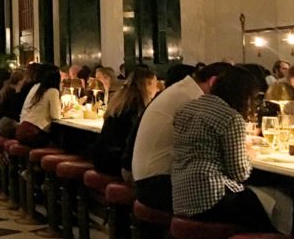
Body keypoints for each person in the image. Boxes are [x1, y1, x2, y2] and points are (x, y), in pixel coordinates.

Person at [172, 66, 276, 233]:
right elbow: (239, 173)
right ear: (244, 95)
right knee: (278, 202)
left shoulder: (186, 108)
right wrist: (248, 154)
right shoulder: (231, 117)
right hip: (211, 198)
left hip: (181, 196)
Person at [131, 62, 230, 212]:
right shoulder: (193, 99)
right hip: (157, 184)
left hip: (146, 179)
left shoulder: (182, 90)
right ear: (213, 81)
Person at [93, 67, 159, 179]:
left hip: (101, 158)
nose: (157, 89)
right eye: (155, 84)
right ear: (147, 84)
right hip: (116, 162)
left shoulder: (119, 98)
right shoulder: (137, 104)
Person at [17, 64, 62, 147]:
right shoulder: (53, 91)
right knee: (60, 145)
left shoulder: (36, 87)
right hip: (32, 133)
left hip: (21, 129)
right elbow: (55, 116)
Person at [0, 68, 26, 136]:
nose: (24, 83)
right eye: (24, 81)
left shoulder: (5, 90)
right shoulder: (12, 93)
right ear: (20, 81)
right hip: (4, 126)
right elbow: (14, 113)